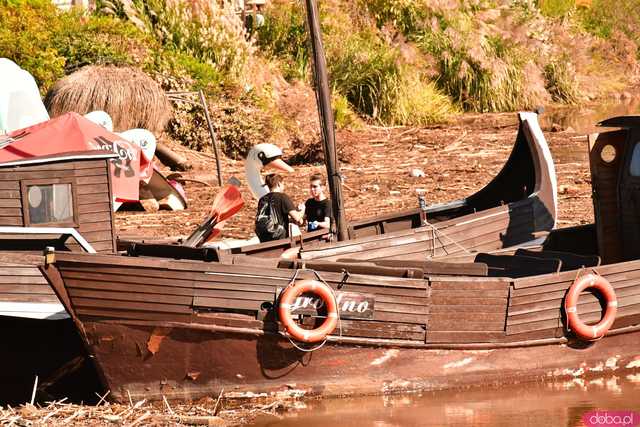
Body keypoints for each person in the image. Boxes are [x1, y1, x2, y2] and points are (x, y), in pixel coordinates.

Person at [255, 174, 304, 242]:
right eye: (283, 183)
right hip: (279, 239)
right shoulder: (282, 197)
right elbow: (297, 218)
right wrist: (302, 210)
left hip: (264, 239)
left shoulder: (262, 199)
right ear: (279, 184)